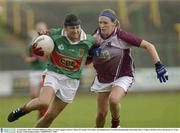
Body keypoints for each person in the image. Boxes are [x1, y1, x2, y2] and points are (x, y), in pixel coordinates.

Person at [7, 14, 96, 127]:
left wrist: (95, 54)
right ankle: (22, 110)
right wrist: (39, 41)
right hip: (53, 73)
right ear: (65, 28)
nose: (76, 31)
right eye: (72, 28)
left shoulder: (89, 40)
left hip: (72, 81)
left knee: (50, 116)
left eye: (77, 27)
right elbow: (41, 38)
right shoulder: (55, 34)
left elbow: (97, 47)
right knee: (44, 102)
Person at [89, 9, 168, 128]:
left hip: (123, 75)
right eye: (100, 22)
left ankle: (115, 124)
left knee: (114, 100)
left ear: (114, 23)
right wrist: (91, 52)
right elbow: (86, 56)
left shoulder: (121, 36)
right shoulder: (95, 36)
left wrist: (158, 64)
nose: (102, 26)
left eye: (105, 23)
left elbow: (149, 46)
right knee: (101, 114)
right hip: (103, 76)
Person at [21, 22, 49, 119]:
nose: (41, 30)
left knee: (41, 96)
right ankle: (41, 110)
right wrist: (35, 59)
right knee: (33, 95)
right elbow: (25, 57)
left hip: (45, 71)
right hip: (34, 71)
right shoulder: (31, 43)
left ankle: (42, 113)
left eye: (43, 28)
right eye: (39, 28)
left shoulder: (49, 41)